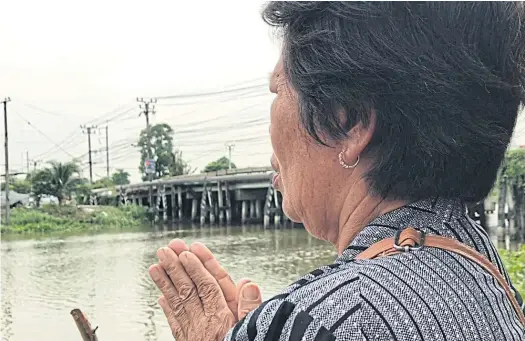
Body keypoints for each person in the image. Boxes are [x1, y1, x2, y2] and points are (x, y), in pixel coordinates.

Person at [148, 2, 525, 340]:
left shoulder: (330, 319)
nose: (270, 133)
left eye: (277, 91)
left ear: (347, 121)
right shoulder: (480, 262)